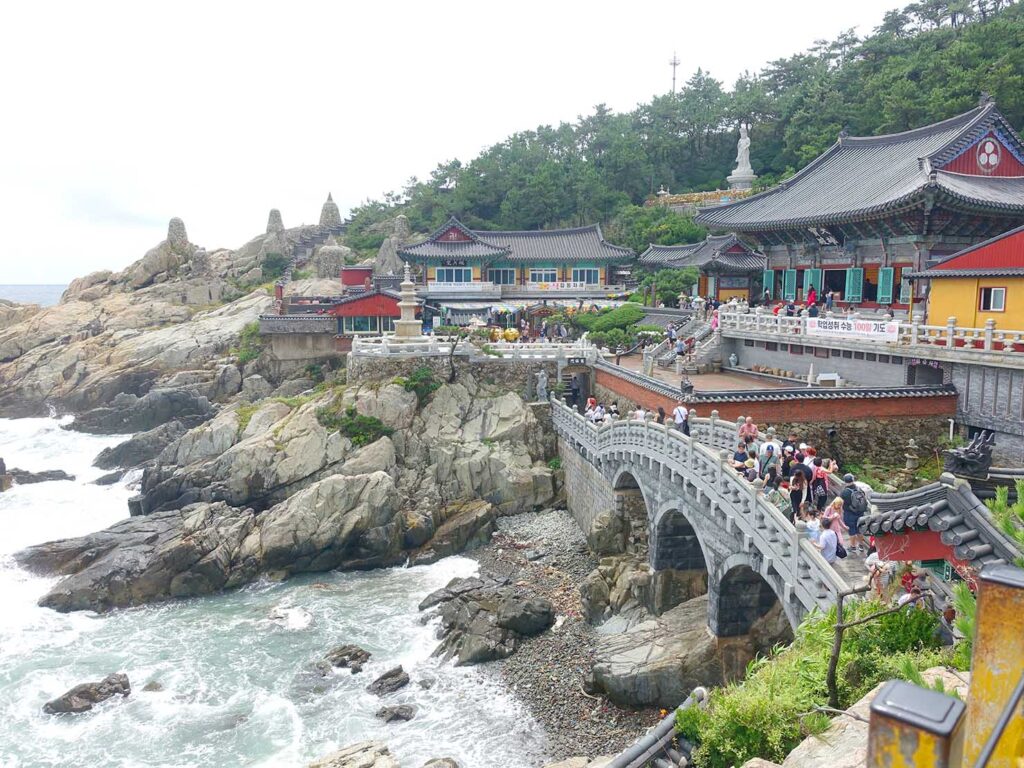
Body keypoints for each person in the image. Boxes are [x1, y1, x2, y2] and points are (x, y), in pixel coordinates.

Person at [840, 473, 869, 553]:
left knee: (851, 530)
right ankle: (861, 546)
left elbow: (841, 503)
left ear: (845, 481)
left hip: (850, 514)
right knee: (859, 529)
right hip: (860, 513)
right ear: (853, 480)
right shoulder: (859, 489)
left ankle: (853, 547)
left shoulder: (845, 492)